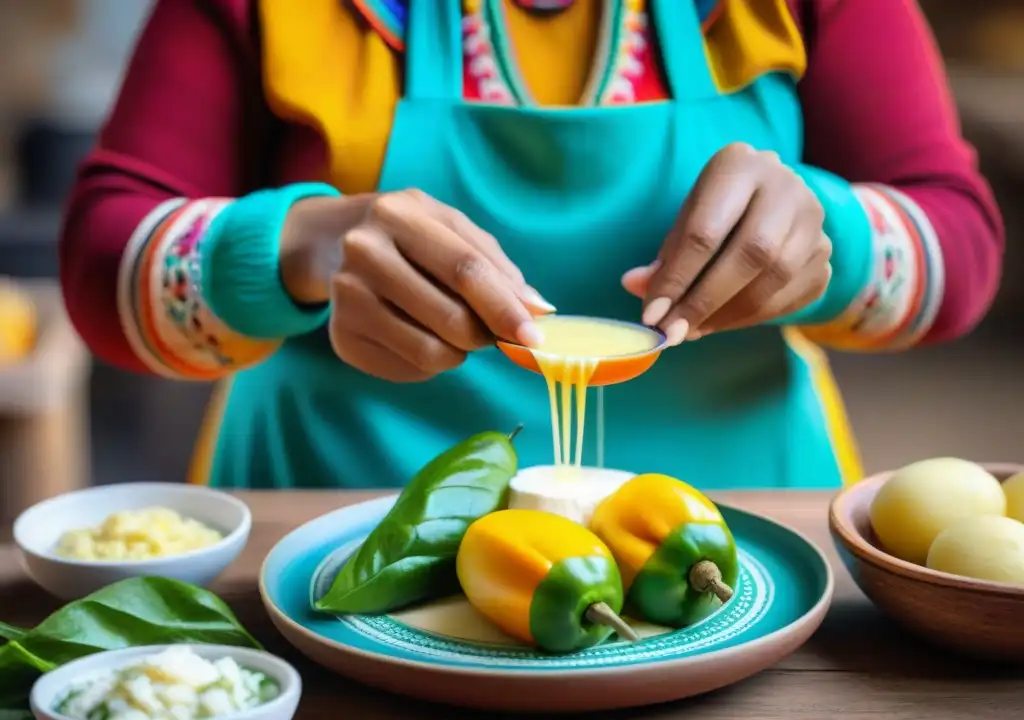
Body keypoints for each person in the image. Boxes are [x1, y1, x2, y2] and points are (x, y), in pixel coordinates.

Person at [60, 0, 1003, 490]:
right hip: (337, 540)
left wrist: (825, 233)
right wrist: (298, 248)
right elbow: (100, 270)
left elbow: (959, 245)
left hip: (743, 542)